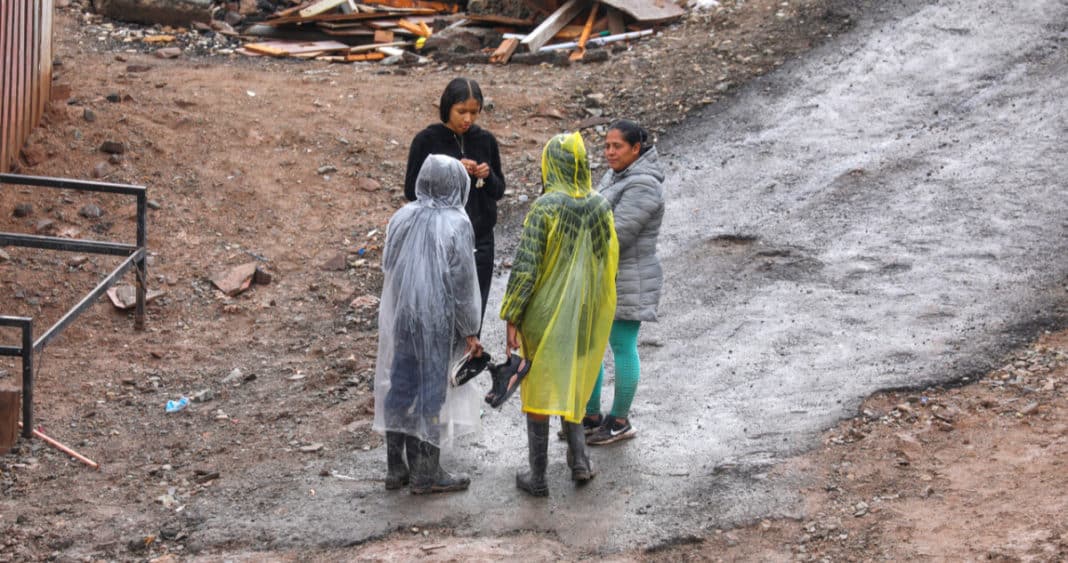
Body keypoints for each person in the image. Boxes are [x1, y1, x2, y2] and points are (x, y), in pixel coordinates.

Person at [499, 132, 619, 497]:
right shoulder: (601, 204)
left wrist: (512, 316)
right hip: (584, 313)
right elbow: (607, 260)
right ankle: (579, 460)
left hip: (545, 315)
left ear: (550, 165)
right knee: (573, 380)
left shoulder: (546, 208)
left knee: (538, 390)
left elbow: (526, 269)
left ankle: (538, 477)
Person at [373, 154, 484, 495]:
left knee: (401, 382)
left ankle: (396, 467)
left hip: (404, 314)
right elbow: (463, 281)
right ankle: (427, 472)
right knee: (431, 391)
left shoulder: (402, 216)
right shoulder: (457, 223)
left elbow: (389, 264)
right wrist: (470, 329)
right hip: (436, 317)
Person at [583, 119, 665, 446]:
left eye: (617, 146)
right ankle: (590, 416)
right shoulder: (617, 175)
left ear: (636, 148)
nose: (610, 152)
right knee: (590, 346)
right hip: (605, 276)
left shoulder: (644, 185)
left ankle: (619, 420)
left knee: (621, 346)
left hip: (630, 277)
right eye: (606, 145)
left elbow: (616, 233)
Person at [404, 77, 505, 329]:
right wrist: (451, 171)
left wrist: (487, 175)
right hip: (439, 241)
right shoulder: (427, 141)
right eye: (461, 111)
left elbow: (499, 190)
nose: (467, 119)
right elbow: (412, 190)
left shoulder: (486, 141)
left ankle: (468, 362)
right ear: (447, 107)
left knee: (474, 310)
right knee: (440, 310)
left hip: (479, 239)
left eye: (474, 112)